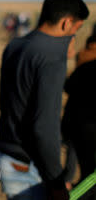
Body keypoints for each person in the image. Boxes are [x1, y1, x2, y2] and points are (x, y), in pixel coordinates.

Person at [0, 0, 89, 200]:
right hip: (31, 166)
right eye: (77, 29)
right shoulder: (52, 58)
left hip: (7, 156)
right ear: (66, 23)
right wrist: (56, 181)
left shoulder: (15, 45)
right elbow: (44, 127)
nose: (74, 37)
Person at [61, 34, 96, 184]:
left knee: (74, 161)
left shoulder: (82, 56)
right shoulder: (89, 60)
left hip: (75, 118)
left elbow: (68, 86)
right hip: (88, 123)